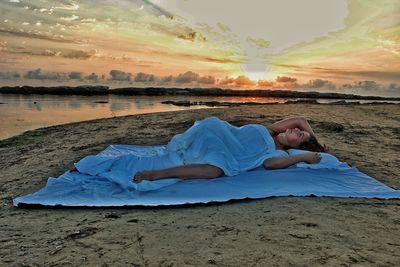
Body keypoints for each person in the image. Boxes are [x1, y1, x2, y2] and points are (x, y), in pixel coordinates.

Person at [132, 116, 327, 183]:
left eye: (300, 135)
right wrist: (316, 142)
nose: (296, 129)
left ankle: (156, 175)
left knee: (216, 171)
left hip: (227, 152)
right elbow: (301, 119)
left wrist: (304, 156)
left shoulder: (280, 152)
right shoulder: (272, 129)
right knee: (214, 162)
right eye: (300, 131)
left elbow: (269, 164)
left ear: (296, 146)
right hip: (219, 131)